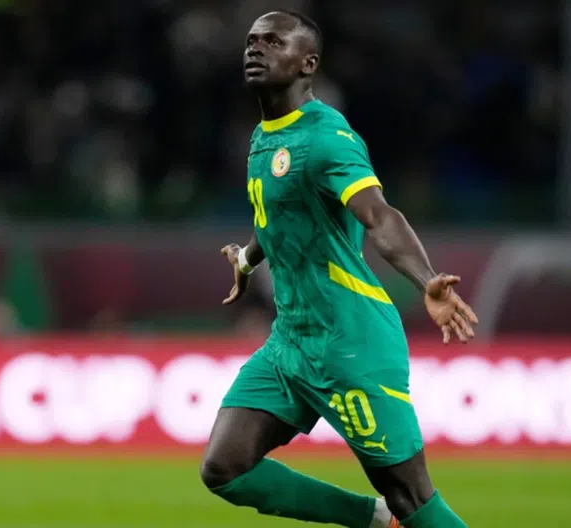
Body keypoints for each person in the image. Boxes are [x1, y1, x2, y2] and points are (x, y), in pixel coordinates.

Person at [200, 11, 479, 528]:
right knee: (225, 467)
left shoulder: (327, 136)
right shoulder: (263, 137)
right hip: (291, 343)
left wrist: (427, 282)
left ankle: (393, 514)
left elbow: (379, 215)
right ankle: (376, 519)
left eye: (273, 42)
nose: (256, 48)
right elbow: (276, 217)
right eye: (252, 41)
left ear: (307, 63)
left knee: (413, 498)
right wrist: (246, 259)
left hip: (350, 343)